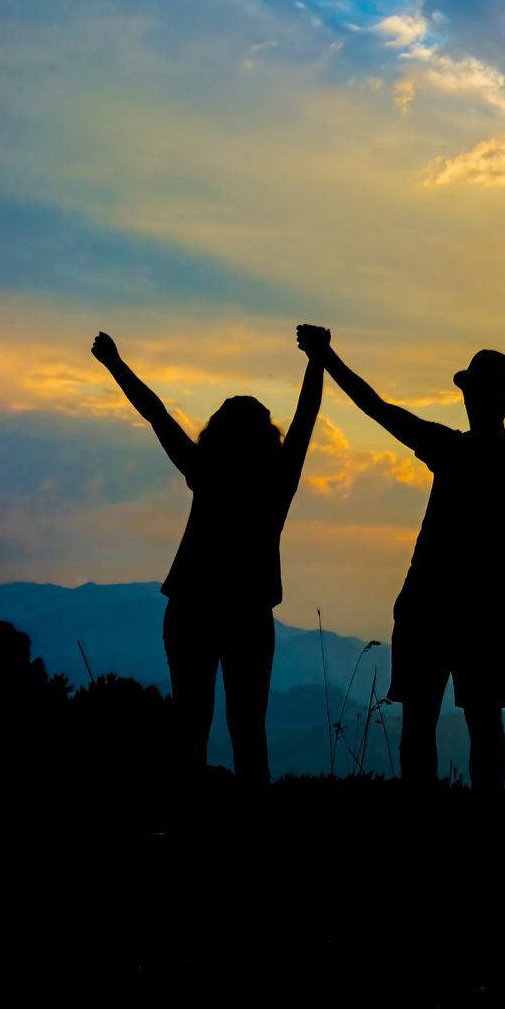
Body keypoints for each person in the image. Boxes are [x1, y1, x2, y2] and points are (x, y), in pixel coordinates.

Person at [303, 297, 505, 793]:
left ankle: (426, 827)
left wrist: (326, 357)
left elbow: (376, 407)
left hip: (429, 601)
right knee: (483, 725)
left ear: (469, 397)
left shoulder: (450, 447)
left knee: (423, 725)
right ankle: (484, 833)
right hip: (483, 608)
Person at [92, 327, 324, 785]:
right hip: (248, 615)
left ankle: (188, 825)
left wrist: (115, 364)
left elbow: (157, 415)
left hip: (192, 610)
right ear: (266, 437)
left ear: (216, 435)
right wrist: (317, 359)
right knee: (247, 730)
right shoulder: (276, 481)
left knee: (190, 725)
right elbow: (306, 416)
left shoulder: (206, 470)